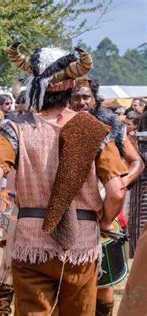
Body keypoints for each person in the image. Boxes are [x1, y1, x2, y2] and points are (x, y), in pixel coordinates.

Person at [0, 43, 128, 314]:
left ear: (36, 87)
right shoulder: (93, 128)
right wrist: (104, 222)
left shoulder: (16, 128)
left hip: (31, 243)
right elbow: (117, 192)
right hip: (81, 244)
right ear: (70, 88)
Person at [69, 76, 145, 315]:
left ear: (94, 99)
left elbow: (137, 163)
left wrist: (118, 183)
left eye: (85, 97)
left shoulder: (112, 127)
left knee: (103, 281)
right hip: (67, 213)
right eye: (76, 97)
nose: (81, 102)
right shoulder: (58, 124)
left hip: (103, 210)